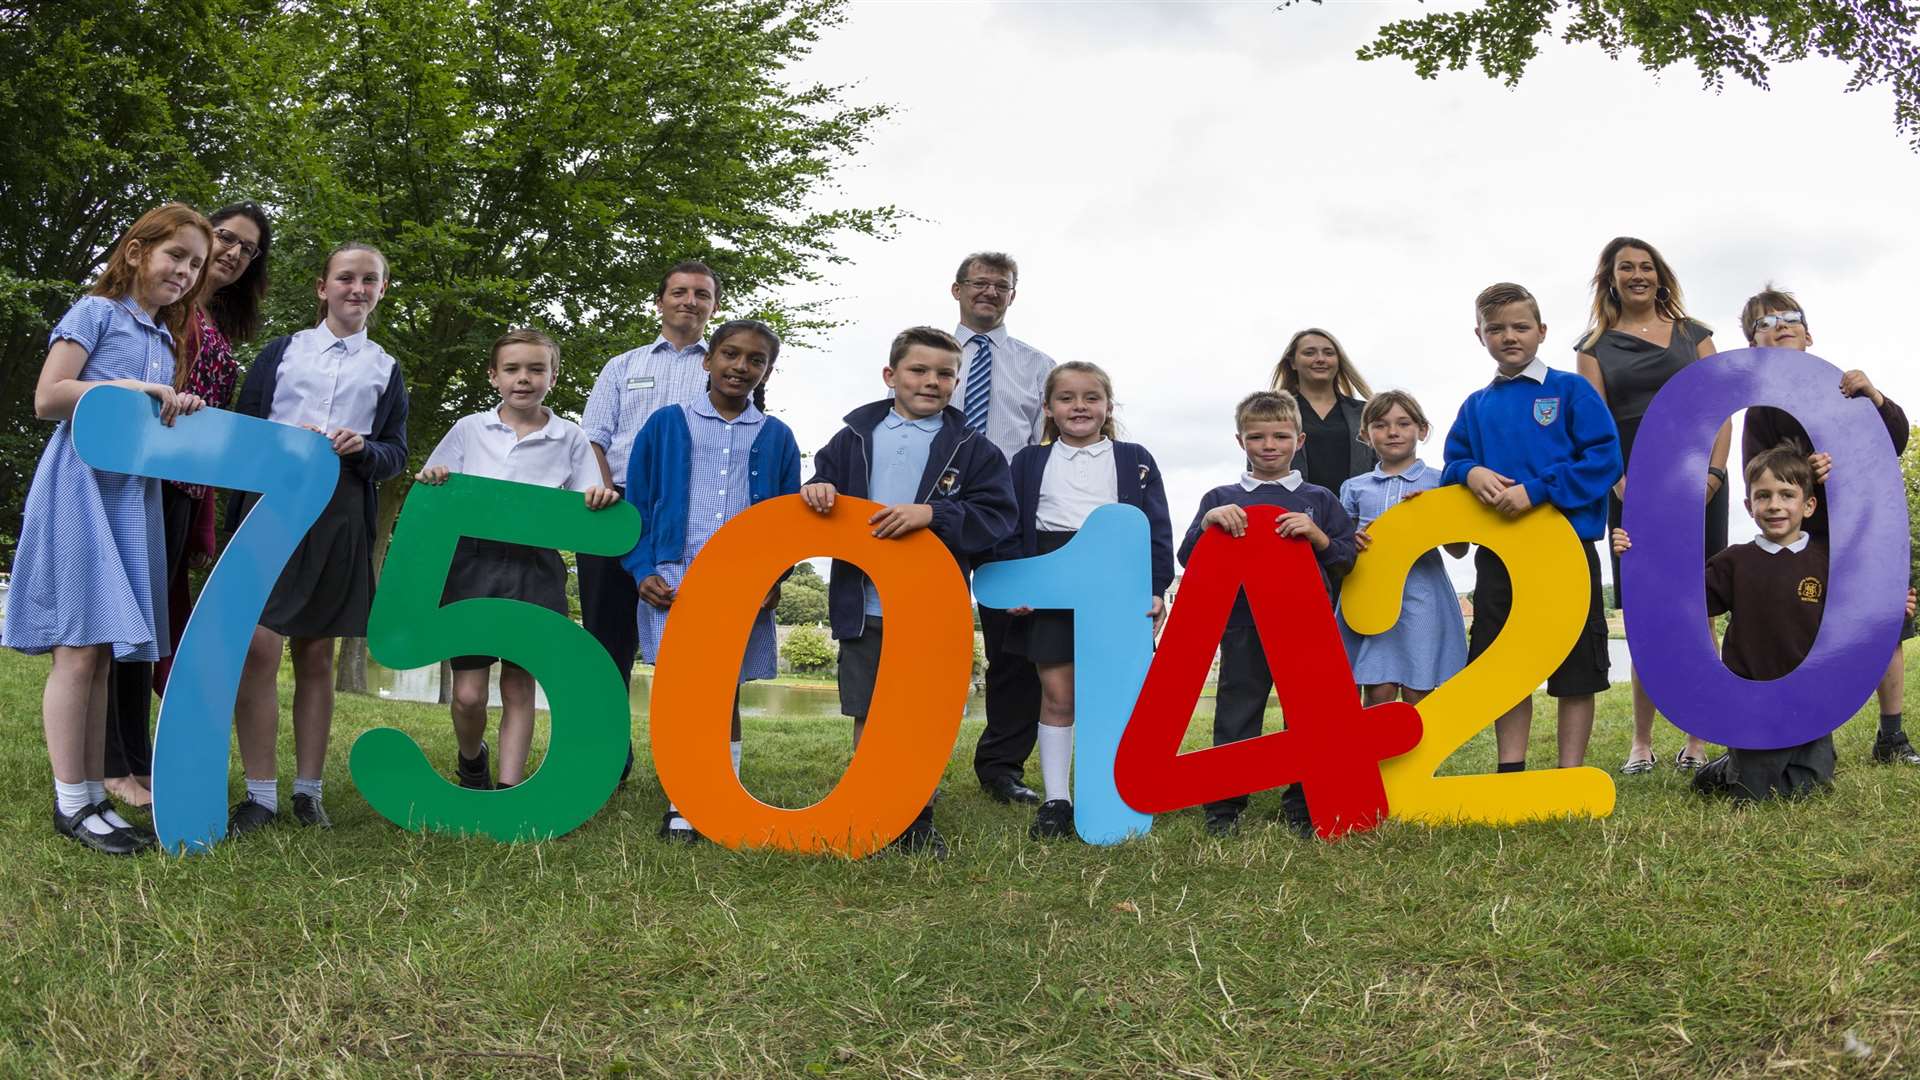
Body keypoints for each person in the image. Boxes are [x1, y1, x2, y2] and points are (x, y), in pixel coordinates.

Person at [3, 202, 214, 854]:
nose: (184, 271)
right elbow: (49, 397)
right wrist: (129, 390)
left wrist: (176, 407)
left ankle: (93, 794)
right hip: (80, 485)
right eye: (175, 254)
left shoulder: (162, 339)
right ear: (136, 252)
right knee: (78, 648)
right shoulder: (95, 313)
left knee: (102, 650)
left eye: (196, 264)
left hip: (131, 497)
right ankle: (72, 805)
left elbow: (145, 423)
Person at [800, 326, 1017, 857]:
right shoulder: (852, 438)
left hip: (929, 603)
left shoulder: (974, 449)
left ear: (957, 382)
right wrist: (817, 488)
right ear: (890, 375)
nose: (932, 381)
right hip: (864, 601)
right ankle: (868, 807)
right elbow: (818, 486)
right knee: (869, 710)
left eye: (945, 374)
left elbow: (998, 517)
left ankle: (917, 815)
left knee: (919, 712)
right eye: (919, 370)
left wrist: (934, 514)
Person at [226, 241, 409, 835]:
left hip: (339, 515)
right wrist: (276, 447)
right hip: (269, 508)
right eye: (346, 278)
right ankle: (260, 795)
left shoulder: (386, 368)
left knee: (315, 654)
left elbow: (396, 455)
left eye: (370, 281)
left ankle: (307, 793)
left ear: (381, 291)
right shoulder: (281, 352)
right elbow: (242, 429)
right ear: (321, 287)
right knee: (257, 648)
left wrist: (364, 449)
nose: (358, 289)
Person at [1614, 448, 1917, 800]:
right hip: (1750, 698)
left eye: (1787, 495)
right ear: (1749, 507)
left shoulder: (1827, 560)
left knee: (1811, 787)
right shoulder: (1733, 562)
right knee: (1752, 791)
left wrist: (1893, 609)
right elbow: (1683, 604)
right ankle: (1729, 768)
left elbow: (1857, 613)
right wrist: (1639, 559)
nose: (1775, 505)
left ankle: (1772, 760)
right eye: (1763, 496)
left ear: (1809, 506)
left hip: (1811, 698)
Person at [104, 200, 272, 811]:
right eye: (225, 237)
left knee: (154, 623)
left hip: (186, 488)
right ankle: (113, 762)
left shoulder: (216, 322)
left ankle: (137, 757)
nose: (232, 253)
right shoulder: (162, 311)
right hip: (142, 480)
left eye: (246, 249)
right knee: (126, 622)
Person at [414, 329, 617, 791]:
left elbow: (586, 499)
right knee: (468, 694)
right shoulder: (469, 429)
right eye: (512, 369)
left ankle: (508, 791)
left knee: (519, 685)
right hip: (471, 565)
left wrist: (599, 495)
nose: (523, 378)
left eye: (536, 369)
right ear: (493, 376)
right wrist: (437, 475)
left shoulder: (569, 436)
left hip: (536, 569)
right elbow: (433, 485)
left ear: (553, 376)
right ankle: (472, 761)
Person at [622, 319, 801, 841]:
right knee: (683, 691)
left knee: (724, 692)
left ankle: (724, 793)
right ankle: (683, 801)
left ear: (766, 370)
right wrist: (641, 569)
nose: (740, 367)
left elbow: (788, 521)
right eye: (730, 354)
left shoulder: (776, 436)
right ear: (707, 359)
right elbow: (637, 507)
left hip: (743, 582)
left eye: (755, 360)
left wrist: (777, 575)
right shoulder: (665, 424)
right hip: (675, 576)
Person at [1443, 282, 1622, 775]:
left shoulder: (1570, 390)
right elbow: (1453, 465)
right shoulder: (1475, 405)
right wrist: (1468, 472)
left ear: (1541, 331)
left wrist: (1538, 490)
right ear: (1479, 336)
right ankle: (1510, 771)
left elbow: (1604, 459)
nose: (1509, 336)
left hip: (1566, 548)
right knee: (1504, 663)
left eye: (1520, 326)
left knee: (1577, 666)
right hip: (1500, 557)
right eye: (1495, 329)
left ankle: (1568, 773)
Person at [1737, 284, 1917, 765]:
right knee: (1806, 628)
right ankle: (1806, 733)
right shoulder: (1761, 410)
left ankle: (1891, 735)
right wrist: (1799, 467)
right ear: (1753, 346)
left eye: (1790, 317)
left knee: (1886, 627)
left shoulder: (1844, 387)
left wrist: (1876, 397)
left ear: (1809, 335)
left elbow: (1894, 441)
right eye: (1765, 323)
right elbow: (1758, 475)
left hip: (1866, 532)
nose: (1780, 326)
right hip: (1808, 541)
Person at [996, 362, 1172, 841]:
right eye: (1067, 398)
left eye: (1091, 397)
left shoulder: (1135, 458)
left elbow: (1155, 529)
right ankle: (1057, 801)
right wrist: (1022, 584)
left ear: (1108, 407)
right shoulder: (1028, 462)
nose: (1079, 406)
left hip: (1115, 578)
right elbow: (1012, 527)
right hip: (1051, 575)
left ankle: (1117, 790)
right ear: (1049, 409)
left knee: (1117, 694)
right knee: (1059, 694)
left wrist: (1155, 589)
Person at [1574, 236, 1728, 774]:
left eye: (1646, 266)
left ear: (1659, 275)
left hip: (1698, 485)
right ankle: (1641, 742)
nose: (1637, 274)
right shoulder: (1592, 347)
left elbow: (1721, 409)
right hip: (1635, 490)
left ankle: (1699, 740)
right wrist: (1617, 481)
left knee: (1700, 608)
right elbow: (1595, 426)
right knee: (1645, 613)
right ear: (1610, 279)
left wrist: (1713, 473)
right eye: (1625, 268)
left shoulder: (1694, 334)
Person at [1179, 390, 1357, 837]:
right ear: (1241, 442)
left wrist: (1316, 535)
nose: (1269, 445)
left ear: (1299, 440)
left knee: (1307, 716)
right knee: (1238, 711)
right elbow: (1188, 558)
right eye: (1257, 437)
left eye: (1280, 436)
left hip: (1306, 625)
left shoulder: (1320, 499)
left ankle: (1304, 800)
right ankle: (1225, 807)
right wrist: (1208, 523)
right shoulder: (1221, 496)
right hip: (1242, 622)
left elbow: (1345, 558)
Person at [578, 260, 720, 698]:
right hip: (617, 509)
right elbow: (593, 440)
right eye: (679, 292)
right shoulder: (622, 366)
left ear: (713, 307)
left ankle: (686, 756)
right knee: (607, 638)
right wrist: (607, 497)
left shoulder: (725, 369)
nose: (689, 301)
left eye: (701, 294)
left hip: (693, 515)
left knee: (688, 636)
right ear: (660, 301)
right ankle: (608, 756)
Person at [949, 252, 1057, 807]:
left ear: (1013, 296)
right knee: (930, 639)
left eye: (1001, 286)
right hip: (934, 508)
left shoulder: (1039, 366)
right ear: (957, 289)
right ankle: (909, 755)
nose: (989, 292)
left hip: (1007, 512)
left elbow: (1046, 444)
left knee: (1014, 647)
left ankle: (1001, 767)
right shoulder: (928, 354)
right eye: (979, 284)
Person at [1335, 390, 1468, 705]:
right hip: (1370, 596)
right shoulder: (1354, 487)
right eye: (1380, 425)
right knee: (1377, 689)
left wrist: (1431, 517)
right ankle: (1375, 755)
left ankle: (1420, 755)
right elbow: (1341, 550)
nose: (1393, 432)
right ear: (1366, 435)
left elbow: (1459, 549)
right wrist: (1349, 541)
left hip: (1422, 598)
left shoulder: (1442, 483)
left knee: (1418, 690)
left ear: (1422, 430)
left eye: (1403, 423)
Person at [1268, 328, 1377, 494]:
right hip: (1293, 514)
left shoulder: (1365, 413)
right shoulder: (1273, 413)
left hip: (1354, 515)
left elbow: (1386, 466)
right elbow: (1259, 469)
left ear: (1338, 361)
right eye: (1309, 353)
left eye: (1328, 353)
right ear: (1292, 362)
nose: (1320, 359)